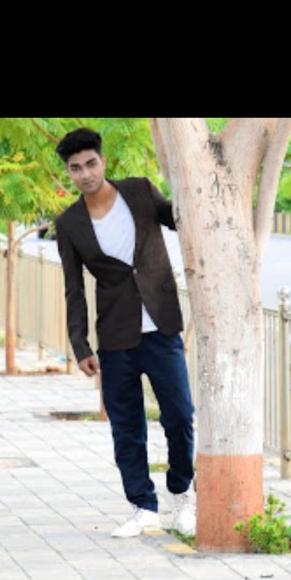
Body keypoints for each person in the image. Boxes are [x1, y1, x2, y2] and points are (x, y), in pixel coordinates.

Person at [54, 128, 196, 538]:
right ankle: (142, 506)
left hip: (161, 327)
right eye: (76, 168)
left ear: (103, 161)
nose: (85, 174)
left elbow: (177, 218)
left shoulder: (139, 192)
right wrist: (80, 345)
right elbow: (73, 289)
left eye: (91, 163)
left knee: (180, 415)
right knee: (126, 426)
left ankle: (181, 494)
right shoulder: (70, 223)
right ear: (69, 172)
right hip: (116, 336)